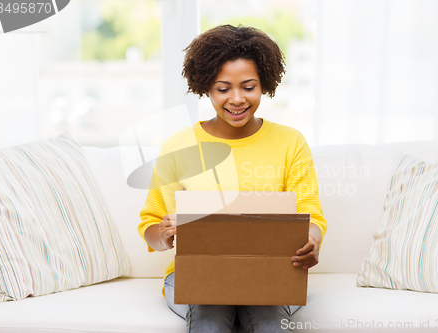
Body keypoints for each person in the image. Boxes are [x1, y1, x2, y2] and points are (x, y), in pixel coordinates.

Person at [138, 24, 327, 333]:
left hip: (271, 273)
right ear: (206, 88)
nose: (237, 99)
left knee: (269, 323)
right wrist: (165, 234)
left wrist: (312, 239)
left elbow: (311, 212)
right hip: (195, 275)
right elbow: (151, 225)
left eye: (248, 87)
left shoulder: (291, 142)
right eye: (223, 88)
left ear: (265, 84)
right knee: (209, 319)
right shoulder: (179, 146)